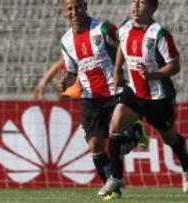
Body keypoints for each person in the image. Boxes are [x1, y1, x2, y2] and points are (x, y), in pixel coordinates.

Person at [58, 0, 149, 198]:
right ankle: (112, 188)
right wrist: (66, 80)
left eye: (78, 7)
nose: (75, 12)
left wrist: (121, 70)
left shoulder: (103, 29)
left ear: (85, 6)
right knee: (95, 146)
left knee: (115, 135)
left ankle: (133, 132)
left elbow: (125, 45)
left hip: (114, 90)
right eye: (70, 9)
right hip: (90, 97)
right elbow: (72, 71)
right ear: (64, 12)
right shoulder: (66, 41)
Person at [105, 0, 188, 197]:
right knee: (115, 126)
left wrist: (152, 75)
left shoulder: (159, 34)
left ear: (153, 8)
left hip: (159, 97)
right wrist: (116, 71)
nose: (135, 6)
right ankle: (115, 177)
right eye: (133, 1)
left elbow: (175, 66)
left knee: (169, 138)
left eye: (142, 2)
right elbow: (122, 46)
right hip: (134, 92)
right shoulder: (124, 28)